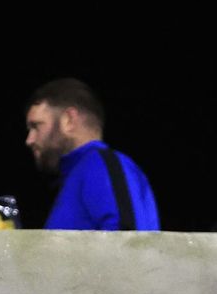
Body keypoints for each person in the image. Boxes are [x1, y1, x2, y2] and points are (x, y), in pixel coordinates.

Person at [24, 78, 159, 232]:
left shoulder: (98, 164)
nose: (29, 140)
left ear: (68, 120)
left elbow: (129, 241)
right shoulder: (80, 175)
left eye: (36, 126)